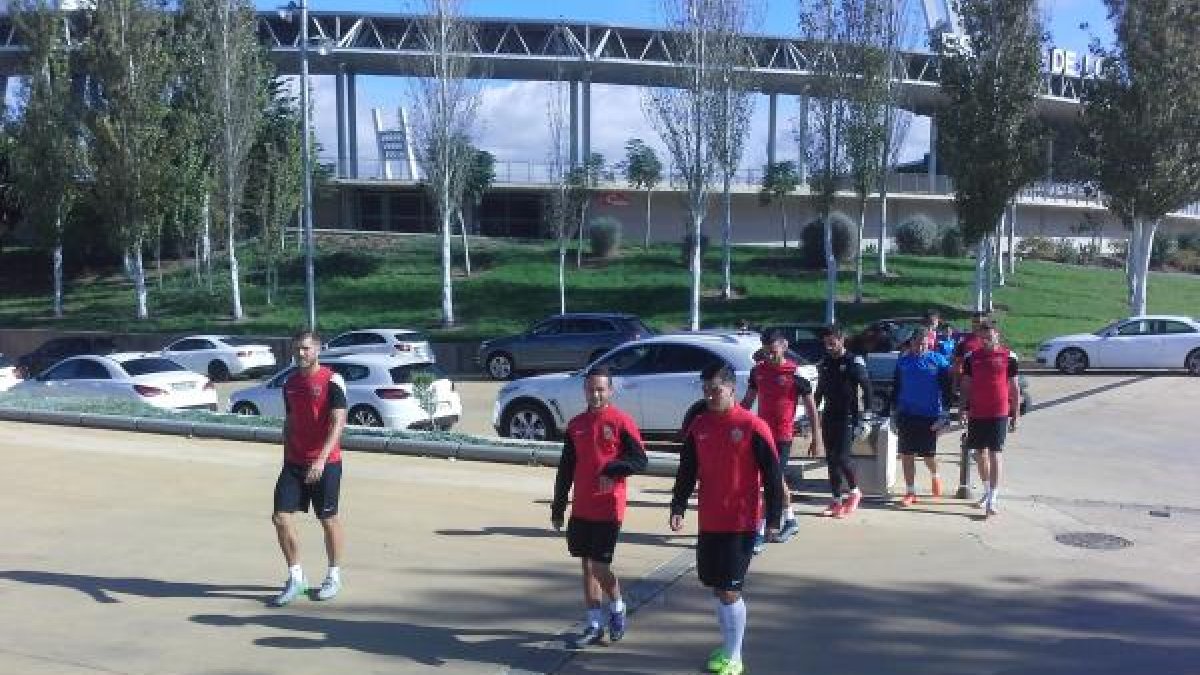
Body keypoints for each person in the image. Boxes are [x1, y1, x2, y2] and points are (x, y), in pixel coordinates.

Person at [671, 364, 782, 675]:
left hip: (742, 521)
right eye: (705, 390)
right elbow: (687, 470)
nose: (709, 396)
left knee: (731, 590)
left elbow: (773, 477)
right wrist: (677, 505)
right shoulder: (699, 425)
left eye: (715, 390)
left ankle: (735, 656)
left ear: (733, 389)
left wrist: (773, 519)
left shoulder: (753, 426)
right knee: (718, 588)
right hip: (710, 519)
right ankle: (727, 645)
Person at [551, 367, 649, 649]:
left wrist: (614, 469)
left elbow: (640, 460)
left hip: (609, 506)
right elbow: (566, 469)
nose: (596, 394)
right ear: (584, 390)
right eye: (591, 389)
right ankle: (594, 624)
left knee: (599, 566)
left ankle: (617, 606)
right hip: (582, 506)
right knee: (586, 566)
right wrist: (558, 507)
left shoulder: (621, 421)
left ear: (610, 391)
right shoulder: (576, 425)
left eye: (601, 389)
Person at [270, 331, 348, 607]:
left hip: (326, 462)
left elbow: (339, 422)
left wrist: (321, 459)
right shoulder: (290, 383)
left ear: (317, 350)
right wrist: (286, 456)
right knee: (280, 518)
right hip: (294, 462)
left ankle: (333, 575)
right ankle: (296, 578)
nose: (300, 353)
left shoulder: (332, 380)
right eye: (296, 349)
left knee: (328, 520)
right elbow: (290, 420)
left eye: (305, 348)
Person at [741, 330, 822, 543]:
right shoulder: (757, 372)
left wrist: (817, 438)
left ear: (784, 346)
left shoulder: (796, 373)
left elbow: (812, 408)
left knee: (771, 481)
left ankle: (764, 529)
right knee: (774, 480)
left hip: (783, 437)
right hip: (761, 435)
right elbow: (748, 402)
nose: (769, 354)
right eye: (766, 349)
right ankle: (790, 519)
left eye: (773, 349)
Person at [959, 321, 1020, 518]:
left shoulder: (1008, 357)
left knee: (995, 453)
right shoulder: (971, 357)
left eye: (989, 336)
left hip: (999, 412)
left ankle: (993, 497)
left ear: (997, 335)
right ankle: (986, 491)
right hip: (977, 412)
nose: (985, 340)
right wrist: (962, 408)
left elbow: (1014, 388)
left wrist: (1015, 414)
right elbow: (966, 386)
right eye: (982, 337)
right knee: (979, 454)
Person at [813, 325, 874, 518]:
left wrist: (867, 417)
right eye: (826, 344)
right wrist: (812, 414)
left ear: (841, 340)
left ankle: (855, 492)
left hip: (848, 416)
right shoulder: (824, 362)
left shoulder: (853, 361)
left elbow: (867, 388)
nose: (829, 347)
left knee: (842, 458)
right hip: (829, 415)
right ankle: (836, 499)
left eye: (832, 343)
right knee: (831, 460)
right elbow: (819, 391)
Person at [891, 326, 952, 506]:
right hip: (907, 413)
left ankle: (935, 475)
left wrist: (945, 414)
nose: (921, 347)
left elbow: (947, 389)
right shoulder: (903, 362)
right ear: (911, 343)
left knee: (928, 456)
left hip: (930, 415)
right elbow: (896, 388)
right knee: (906, 454)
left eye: (925, 344)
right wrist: (893, 413)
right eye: (918, 344)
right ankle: (911, 492)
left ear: (929, 344)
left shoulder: (939, 361)